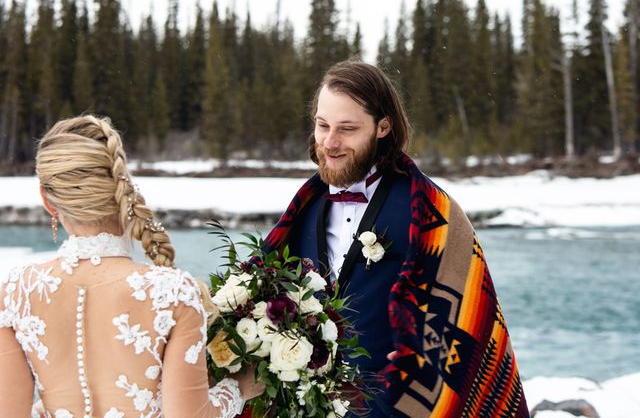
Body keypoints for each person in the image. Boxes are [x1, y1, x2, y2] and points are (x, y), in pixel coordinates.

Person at [264, 60, 529, 417]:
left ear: (383, 126)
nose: (330, 142)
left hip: (398, 409)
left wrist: (420, 358)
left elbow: (469, 323)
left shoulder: (432, 213)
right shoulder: (302, 212)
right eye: (322, 125)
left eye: (347, 129)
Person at [0, 115, 264, 417]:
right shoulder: (173, 293)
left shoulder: (16, 292)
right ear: (122, 189)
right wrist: (238, 388)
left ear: (48, 201)